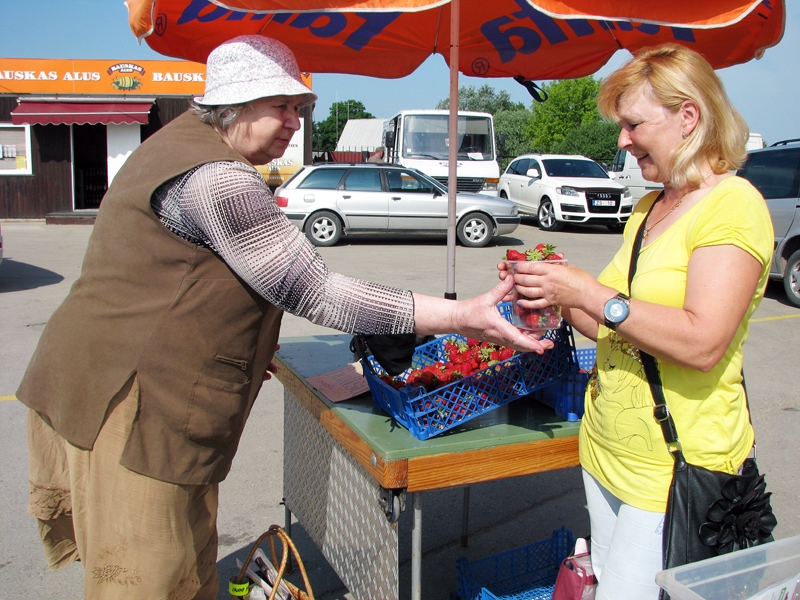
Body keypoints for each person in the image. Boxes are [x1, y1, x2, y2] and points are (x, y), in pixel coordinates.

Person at [18, 36, 552, 600]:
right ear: (232, 104)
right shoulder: (217, 179)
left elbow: (183, 277)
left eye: (300, 109)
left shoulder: (181, 144)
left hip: (104, 379)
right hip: (127, 403)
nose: (294, 123)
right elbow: (314, 290)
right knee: (145, 577)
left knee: (186, 566)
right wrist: (463, 315)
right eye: (281, 107)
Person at [500, 43, 773, 599]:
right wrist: (553, 290)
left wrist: (592, 293)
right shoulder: (651, 209)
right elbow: (610, 325)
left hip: (674, 470)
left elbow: (702, 342)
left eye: (632, 124)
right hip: (605, 453)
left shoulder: (733, 204)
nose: (622, 140)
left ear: (688, 118)